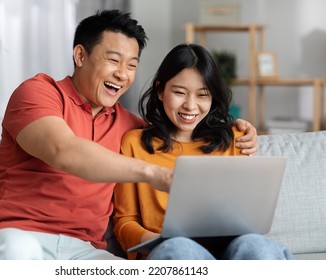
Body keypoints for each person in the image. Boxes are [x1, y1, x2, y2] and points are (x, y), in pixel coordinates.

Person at [0, 10, 258, 260]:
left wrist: (234, 126)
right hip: (14, 237)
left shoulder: (131, 127)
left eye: (131, 65)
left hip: (84, 252)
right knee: (15, 250)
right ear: (80, 55)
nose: (123, 74)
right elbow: (63, 150)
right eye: (113, 60)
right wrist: (155, 174)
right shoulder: (39, 92)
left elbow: (182, 125)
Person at [112, 43, 294, 260]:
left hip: (231, 249)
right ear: (160, 90)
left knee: (257, 247)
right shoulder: (135, 144)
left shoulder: (235, 139)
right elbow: (125, 220)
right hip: (173, 251)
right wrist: (153, 240)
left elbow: (249, 216)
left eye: (202, 95)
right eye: (179, 92)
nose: (191, 106)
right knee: (180, 249)